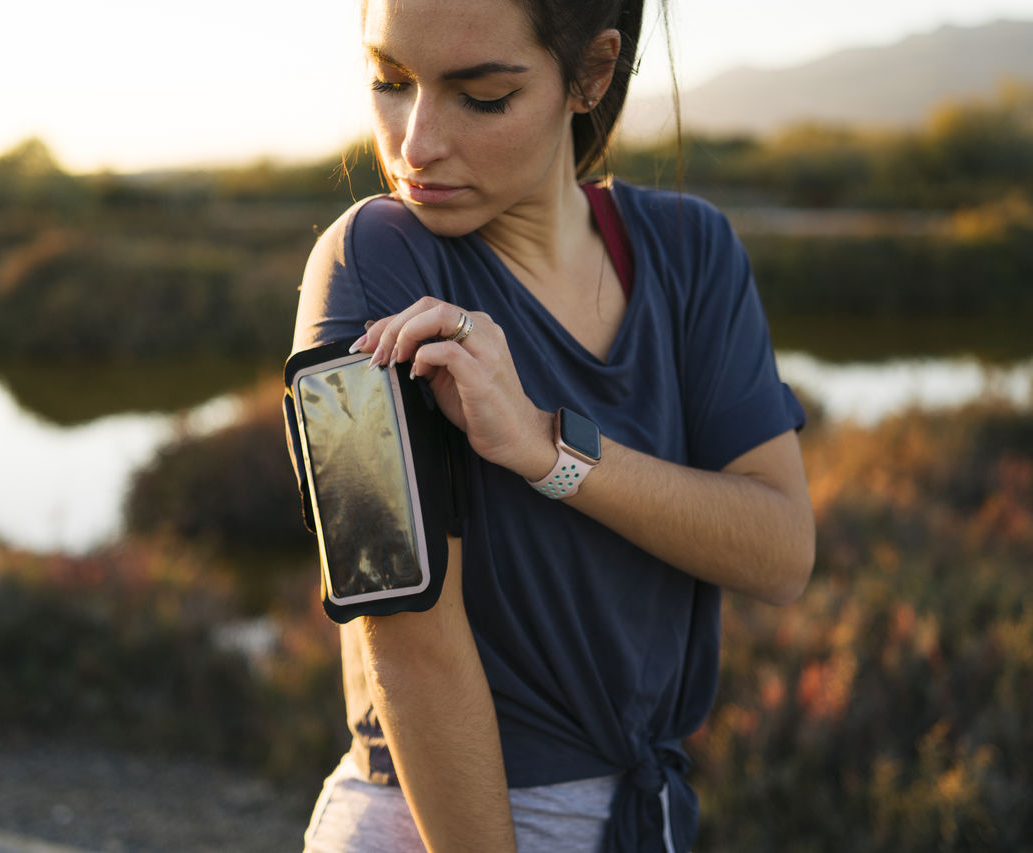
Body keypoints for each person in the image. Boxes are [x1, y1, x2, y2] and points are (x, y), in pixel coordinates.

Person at [285, 0, 815, 850]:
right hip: (437, 820)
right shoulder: (370, 264)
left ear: (593, 74)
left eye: (482, 96)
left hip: (646, 819)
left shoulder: (693, 251)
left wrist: (546, 449)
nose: (414, 146)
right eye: (389, 81)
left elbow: (782, 551)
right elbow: (402, 629)